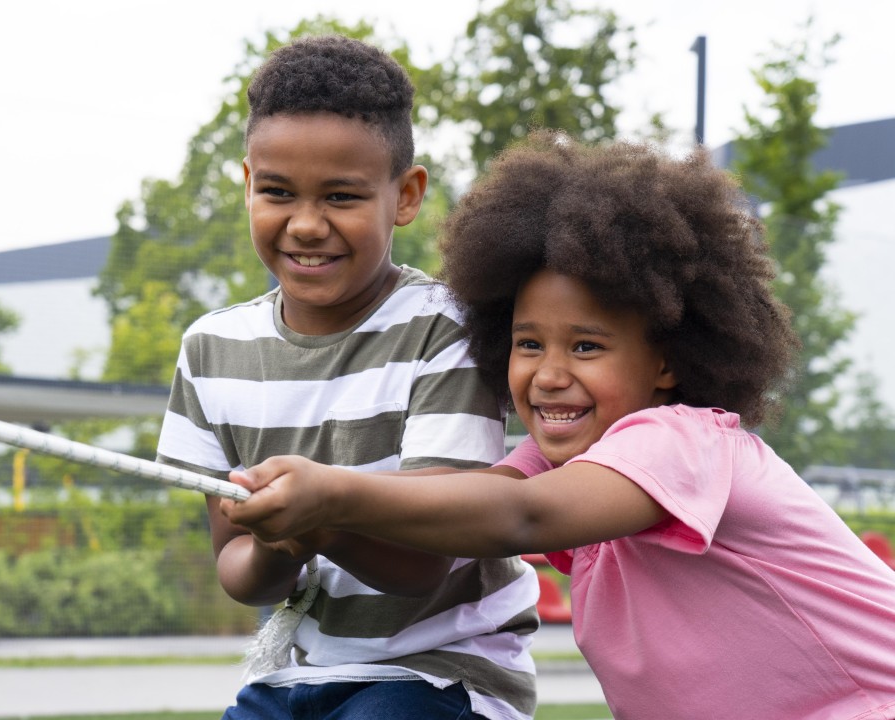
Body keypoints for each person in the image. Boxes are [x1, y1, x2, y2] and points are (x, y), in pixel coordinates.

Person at [222, 130, 895, 720]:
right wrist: (312, 522)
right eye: (528, 343)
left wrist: (335, 492)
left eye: (586, 347)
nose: (548, 375)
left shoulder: (682, 442)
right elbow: (465, 511)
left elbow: (521, 515)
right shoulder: (560, 472)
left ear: (666, 358)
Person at [155, 35, 541, 720]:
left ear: (406, 196)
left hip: (442, 677)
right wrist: (284, 543)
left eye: (341, 195)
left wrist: (325, 513)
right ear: (248, 184)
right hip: (304, 676)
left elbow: (425, 562)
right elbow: (237, 571)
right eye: (277, 192)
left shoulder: (447, 329)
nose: (306, 225)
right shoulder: (211, 350)